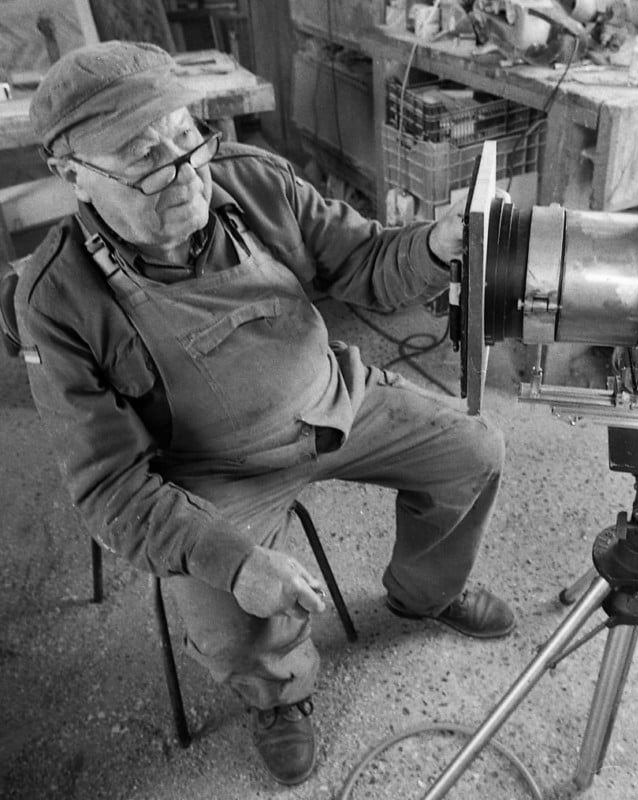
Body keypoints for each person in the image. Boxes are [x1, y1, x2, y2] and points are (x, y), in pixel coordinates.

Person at [15, 40, 514, 787]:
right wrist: (234, 560)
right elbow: (109, 489)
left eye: (186, 136)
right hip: (213, 474)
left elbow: (363, 263)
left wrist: (438, 246)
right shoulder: (58, 298)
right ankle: (278, 694)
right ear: (73, 177)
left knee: (472, 452)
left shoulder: (253, 180)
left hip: (335, 398)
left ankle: (426, 592)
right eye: (144, 156)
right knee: (236, 618)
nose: (184, 174)